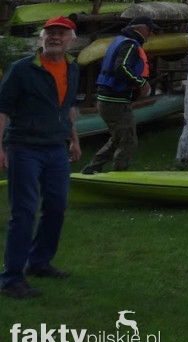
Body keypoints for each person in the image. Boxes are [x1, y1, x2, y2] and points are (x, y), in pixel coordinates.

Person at [0, 16, 81, 298]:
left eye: (61, 34)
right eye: (50, 33)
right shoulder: (21, 69)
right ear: (42, 37)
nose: (55, 38)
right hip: (24, 147)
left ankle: (39, 262)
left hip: (56, 147)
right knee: (23, 212)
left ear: (71, 39)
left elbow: (68, 106)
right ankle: (11, 278)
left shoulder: (72, 68)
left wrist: (74, 140)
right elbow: (3, 109)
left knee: (57, 206)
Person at [81, 16, 157, 174]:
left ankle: (93, 168)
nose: (151, 34)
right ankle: (119, 174)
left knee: (119, 137)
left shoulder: (121, 41)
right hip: (113, 100)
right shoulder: (129, 44)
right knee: (128, 140)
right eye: (150, 30)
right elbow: (121, 68)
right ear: (140, 28)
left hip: (109, 99)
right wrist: (141, 83)